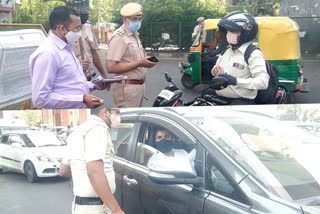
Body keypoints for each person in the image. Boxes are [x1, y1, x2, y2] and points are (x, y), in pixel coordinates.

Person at [29, 6, 108, 109]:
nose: (80, 33)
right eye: (77, 28)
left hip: (77, 114)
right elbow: (40, 98)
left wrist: (92, 85)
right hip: (61, 119)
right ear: (62, 28)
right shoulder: (48, 53)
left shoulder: (66, 48)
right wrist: (82, 98)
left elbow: (68, 84)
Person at [59, 106, 124, 214]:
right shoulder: (97, 129)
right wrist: (116, 209)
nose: (119, 117)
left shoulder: (77, 132)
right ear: (106, 112)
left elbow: (63, 170)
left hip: (83, 205)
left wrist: (80, 173)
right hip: (95, 207)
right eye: (117, 113)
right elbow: (94, 171)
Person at [210, 11, 269, 105]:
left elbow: (263, 82)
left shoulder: (253, 54)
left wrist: (235, 81)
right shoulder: (227, 51)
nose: (229, 34)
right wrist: (214, 70)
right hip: (219, 98)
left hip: (240, 102)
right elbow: (216, 68)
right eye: (228, 31)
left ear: (246, 33)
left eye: (234, 31)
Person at [106, 2, 157, 108]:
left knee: (136, 122)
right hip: (127, 89)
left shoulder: (134, 35)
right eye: (134, 19)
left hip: (138, 88)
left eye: (139, 18)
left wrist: (145, 61)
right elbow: (111, 67)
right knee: (128, 123)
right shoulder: (119, 37)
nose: (137, 22)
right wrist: (140, 63)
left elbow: (132, 59)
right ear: (125, 19)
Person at [67, 1, 107, 80]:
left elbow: (94, 53)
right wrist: (77, 65)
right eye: (82, 11)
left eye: (87, 11)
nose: (86, 14)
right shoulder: (62, 31)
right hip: (72, 79)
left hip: (88, 77)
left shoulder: (88, 27)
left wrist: (103, 74)